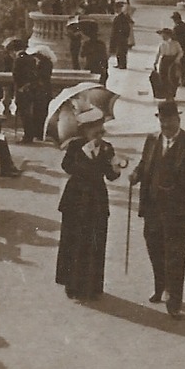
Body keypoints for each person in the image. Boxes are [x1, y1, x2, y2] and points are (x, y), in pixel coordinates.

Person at [129, 101, 185, 319]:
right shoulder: (152, 139)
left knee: (175, 255)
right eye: (162, 120)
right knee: (154, 248)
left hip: (176, 210)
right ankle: (160, 287)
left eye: (169, 120)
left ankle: (174, 301)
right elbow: (144, 164)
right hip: (152, 207)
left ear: (178, 119)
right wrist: (136, 175)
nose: (165, 124)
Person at [55, 109, 125, 302]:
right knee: (74, 241)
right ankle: (73, 285)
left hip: (96, 200)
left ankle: (93, 286)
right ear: (85, 130)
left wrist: (116, 168)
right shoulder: (76, 146)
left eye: (101, 130)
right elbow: (66, 166)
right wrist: (84, 162)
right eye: (95, 130)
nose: (99, 134)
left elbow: (111, 176)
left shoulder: (107, 148)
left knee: (95, 242)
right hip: (75, 199)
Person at [150, 27, 183, 101]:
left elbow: (181, 52)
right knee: (163, 77)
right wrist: (155, 62)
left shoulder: (175, 43)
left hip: (173, 61)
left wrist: (177, 59)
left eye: (163, 35)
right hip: (164, 61)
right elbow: (158, 53)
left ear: (168, 35)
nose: (162, 36)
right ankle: (166, 93)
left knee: (173, 78)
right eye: (162, 35)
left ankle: (171, 94)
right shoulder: (162, 44)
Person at [170, 12, 185, 85]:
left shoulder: (176, 27)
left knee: (178, 65)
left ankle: (179, 80)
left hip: (179, 48)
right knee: (184, 64)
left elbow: (174, 37)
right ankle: (183, 80)